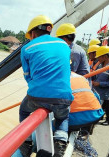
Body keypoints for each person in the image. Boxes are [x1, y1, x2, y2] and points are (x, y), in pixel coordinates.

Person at [19, 15, 74, 157]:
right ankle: (60, 142)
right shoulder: (64, 45)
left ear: (32, 33)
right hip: (63, 97)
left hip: (36, 96)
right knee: (63, 117)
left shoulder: (27, 48)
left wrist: (37, 88)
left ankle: (26, 142)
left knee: (23, 111)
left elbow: (27, 75)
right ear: (49, 30)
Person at [92, 46, 109, 125]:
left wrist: (100, 83)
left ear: (105, 57)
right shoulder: (100, 65)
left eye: (99, 57)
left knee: (97, 110)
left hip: (103, 94)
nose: (98, 59)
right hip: (95, 91)